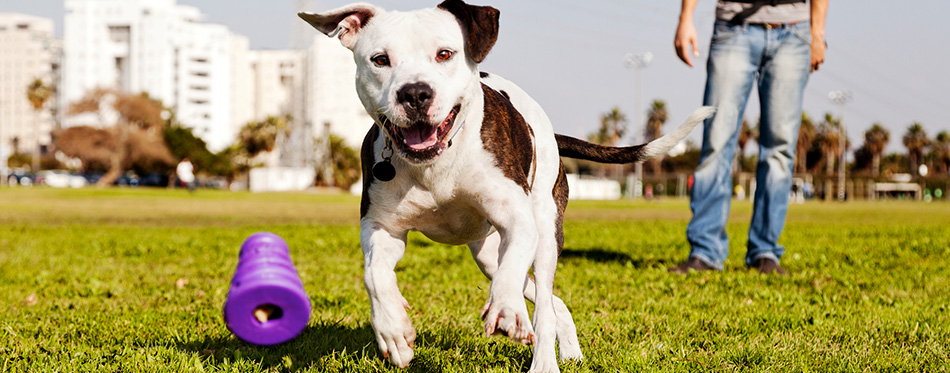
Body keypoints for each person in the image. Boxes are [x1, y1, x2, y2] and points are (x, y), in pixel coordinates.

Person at [669, 0, 828, 275]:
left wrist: (817, 33)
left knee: (780, 149)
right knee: (716, 143)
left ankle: (765, 251)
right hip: (734, 26)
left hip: (794, 30)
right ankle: (705, 252)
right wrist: (686, 18)